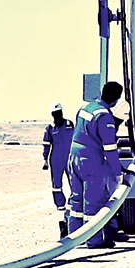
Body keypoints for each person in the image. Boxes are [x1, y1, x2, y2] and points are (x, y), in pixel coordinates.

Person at [66, 81, 124, 249]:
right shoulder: (105, 116)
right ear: (116, 100)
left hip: (74, 157)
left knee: (76, 200)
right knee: (93, 202)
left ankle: (74, 237)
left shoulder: (86, 108)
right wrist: (118, 172)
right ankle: (95, 240)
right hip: (90, 161)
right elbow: (110, 149)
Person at [42, 102, 74, 238]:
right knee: (56, 185)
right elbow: (46, 145)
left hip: (69, 157)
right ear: (52, 115)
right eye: (55, 113)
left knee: (74, 181)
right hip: (56, 159)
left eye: (59, 112)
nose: (58, 115)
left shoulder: (69, 125)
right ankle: (61, 207)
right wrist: (44, 160)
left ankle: (74, 204)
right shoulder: (50, 128)